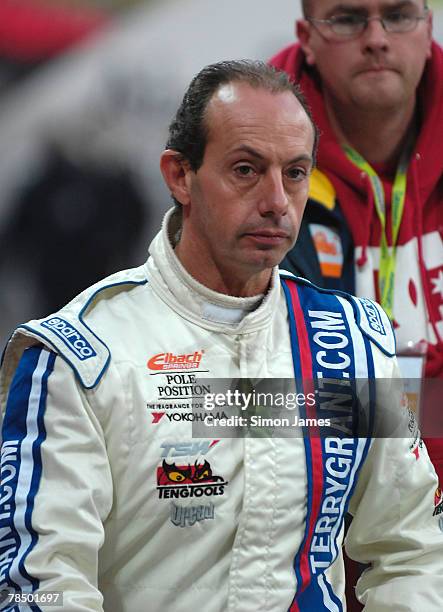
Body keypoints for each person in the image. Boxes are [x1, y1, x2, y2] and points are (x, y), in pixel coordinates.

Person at [0, 60, 442, 612]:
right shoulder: (78, 356)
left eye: (296, 173)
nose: (277, 201)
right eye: (246, 170)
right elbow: (45, 586)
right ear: (180, 176)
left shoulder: (352, 339)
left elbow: (411, 548)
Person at [270, 0, 443, 480]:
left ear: (428, 26)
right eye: (348, 19)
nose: (376, 38)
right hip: (327, 531)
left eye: (399, 14)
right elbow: (220, 403)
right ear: (306, 37)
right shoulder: (247, 170)